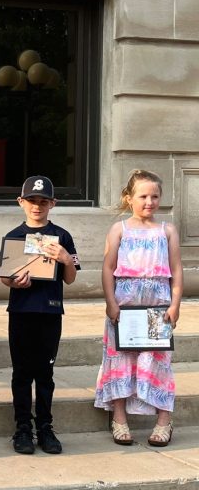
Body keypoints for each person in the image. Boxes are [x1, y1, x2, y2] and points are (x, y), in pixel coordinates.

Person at [94, 170, 182, 447]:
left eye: (155, 196)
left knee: (158, 360)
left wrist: (176, 304)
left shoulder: (167, 230)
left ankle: (164, 421)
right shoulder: (120, 229)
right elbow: (108, 269)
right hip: (126, 304)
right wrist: (111, 302)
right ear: (129, 198)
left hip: (157, 305)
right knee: (121, 359)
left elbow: (176, 270)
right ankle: (119, 418)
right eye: (143, 196)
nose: (149, 201)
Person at [0, 176, 80, 455]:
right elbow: (5, 277)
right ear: (21, 202)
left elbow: (70, 279)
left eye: (43, 201)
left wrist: (65, 259)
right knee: (21, 372)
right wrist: (14, 282)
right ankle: (23, 428)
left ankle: (45, 427)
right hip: (21, 311)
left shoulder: (62, 237)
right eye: (32, 201)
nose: (37, 206)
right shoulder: (13, 236)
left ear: (52, 204)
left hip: (49, 310)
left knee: (45, 373)